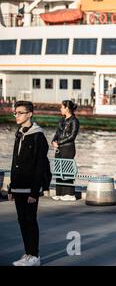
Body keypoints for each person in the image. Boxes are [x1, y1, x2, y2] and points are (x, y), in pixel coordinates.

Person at [8, 101, 49, 266]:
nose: (16, 116)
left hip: (29, 188)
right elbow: (14, 161)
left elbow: (40, 166)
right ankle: (28, 253)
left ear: (30, 114)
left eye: (20, 113)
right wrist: (11, 186)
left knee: (31, 220)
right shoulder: (19, 133)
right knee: (22, 220)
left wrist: (34, 191)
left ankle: (35, 256)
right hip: (18, 186)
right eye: (15, 113)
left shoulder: (39, 136)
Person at [51, 100, 80, 201]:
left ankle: (70, 194)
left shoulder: (74, 121)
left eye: (62, 107)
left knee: (67, 170)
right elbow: (57, 133)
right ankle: (59, 193)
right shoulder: (61, 120)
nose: (60, 109)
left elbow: (72, 136)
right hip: (59, 148)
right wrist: (53, 141)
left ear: (67, 108)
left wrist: (59, 142)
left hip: (68, 148)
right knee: (58, 170)